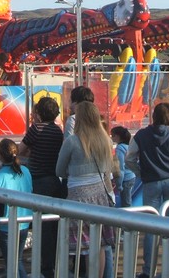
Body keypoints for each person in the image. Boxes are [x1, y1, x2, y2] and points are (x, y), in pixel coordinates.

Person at [126, 102, 169, 278]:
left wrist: (139, 171)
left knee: (151, 227)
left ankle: (148, 270)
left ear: (154, 116)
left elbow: (129, 158)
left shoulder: (141, 135)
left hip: (151, 183)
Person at [56, 102, 115, 278]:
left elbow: (59, 170)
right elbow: (107, 169)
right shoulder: (106, 140)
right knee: (99, 245)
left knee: (80, 245)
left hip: (78, 197)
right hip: (100, 196)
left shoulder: (72, 141)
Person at [17, 96, 64, 278]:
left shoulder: (36, 129)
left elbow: (21, 150)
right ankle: (50, 264)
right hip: (53, 180)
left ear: (39, 113)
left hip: (38, 181)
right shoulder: (57, 131)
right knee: (52, 226)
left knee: (40, 225)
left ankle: (43, 268)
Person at [0, 139, 33, 278]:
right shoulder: (26, 171)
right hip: (25, 220)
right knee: (17, 260)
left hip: (6, 224)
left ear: (0, 155)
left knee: (13, 262)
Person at [110, 126, 135, 208]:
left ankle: (128, 219)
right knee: (129, 200)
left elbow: (120, 168)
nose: (111, 137)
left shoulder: (120, 149)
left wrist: (119, 184)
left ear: (117, 137)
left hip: (125, 179)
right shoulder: (128, 147)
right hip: (132, 176)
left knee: (126, 203)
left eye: (112, 135)